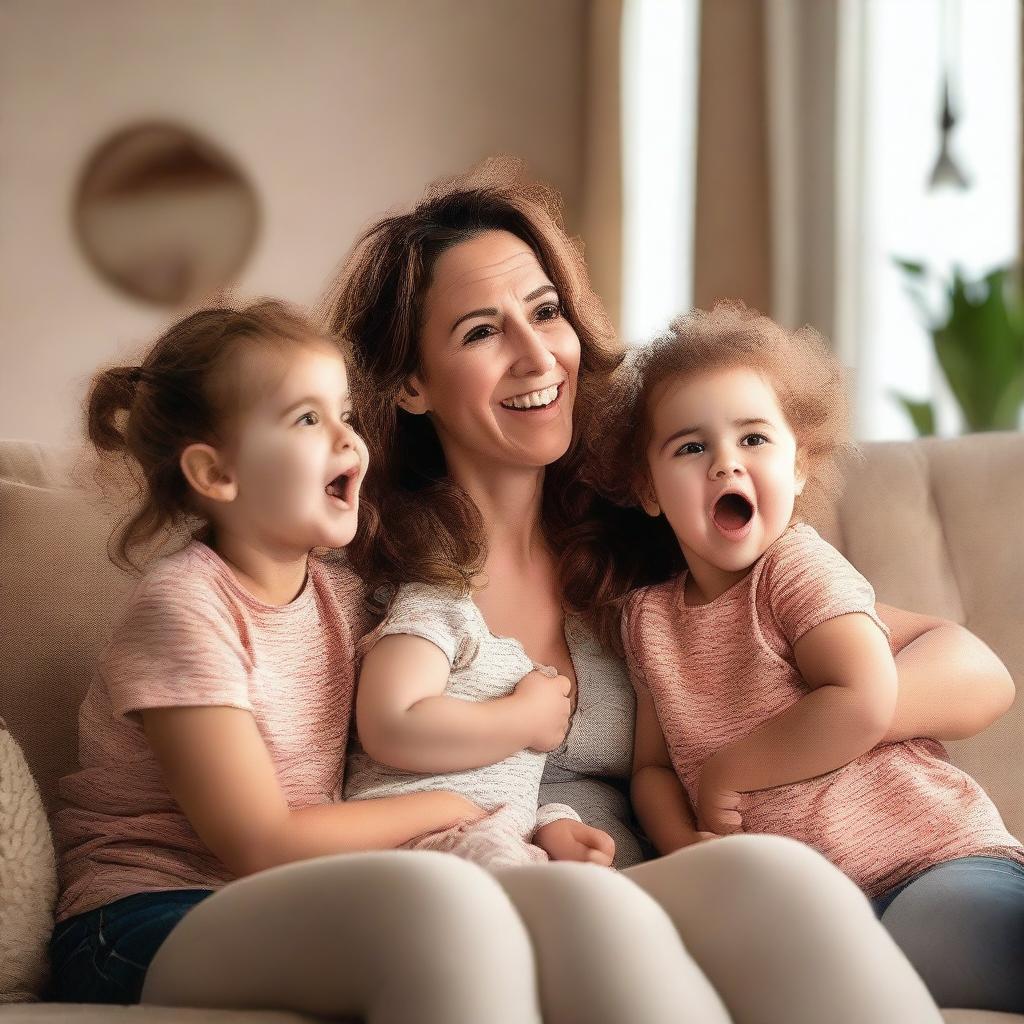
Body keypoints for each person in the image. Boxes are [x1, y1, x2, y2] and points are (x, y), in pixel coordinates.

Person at [319, 158, 1015, 1021]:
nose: (538, 355)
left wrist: (785, 727)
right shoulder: (368, 578)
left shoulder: (659, 538)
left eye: (546, 313)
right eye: (480, 332)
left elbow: (974, 669)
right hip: (557, 904)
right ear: (408, 384)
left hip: (726, 895)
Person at [49, 299, 547, 1024]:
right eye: (308, 419)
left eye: (344, 413)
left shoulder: (340, 597)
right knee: (440, 920)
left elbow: (422, 745)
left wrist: (535, 811)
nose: (348, 440)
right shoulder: (184, 608)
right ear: (216, 473)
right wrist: (448, 809)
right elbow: (262, 841)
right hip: (138, 919)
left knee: (498, 909)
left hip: (272, 898)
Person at [588, 302, 1024, 1014]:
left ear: (799, 467)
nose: (725, 460)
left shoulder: (798, 571)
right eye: (690, 447)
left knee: (953, 941)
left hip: (929, 858)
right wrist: (685, 842)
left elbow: (862, 694)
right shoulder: (649, 620)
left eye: (753, 438)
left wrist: (732, 770)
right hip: (815, 903)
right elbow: (653, 767)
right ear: (648, 489)